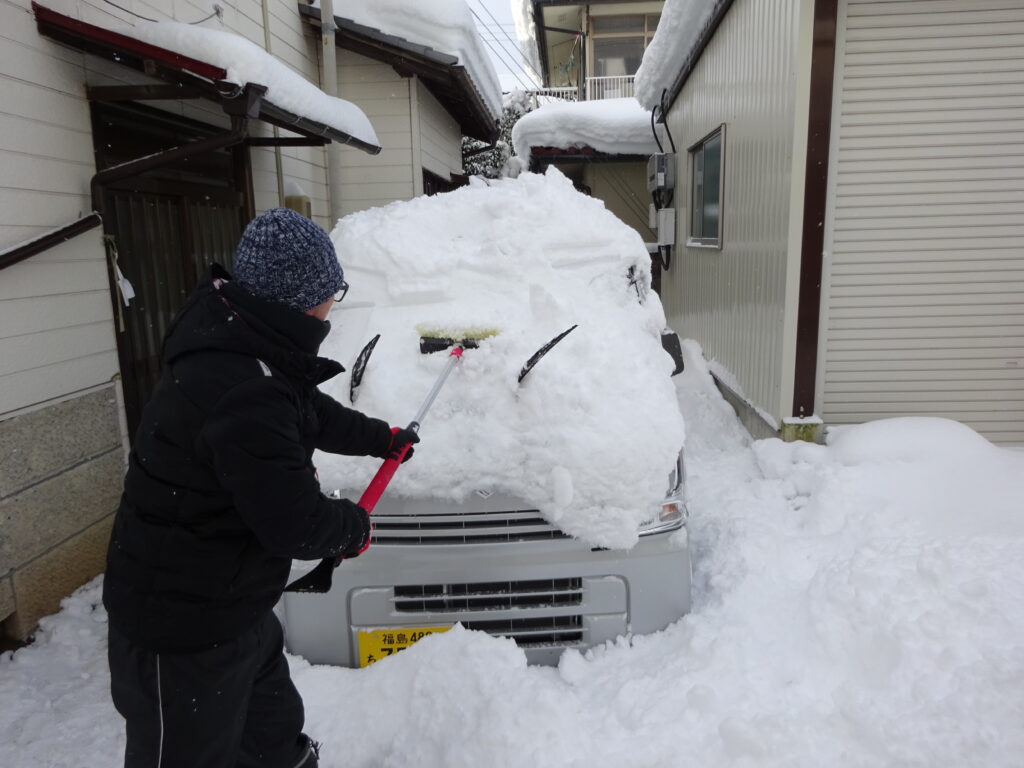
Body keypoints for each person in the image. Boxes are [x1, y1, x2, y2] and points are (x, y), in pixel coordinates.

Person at [102, 208, 418, 767]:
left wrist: (379, 438)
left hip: (233, 608)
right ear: (299, 300)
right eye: (331, 292)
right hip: (179, 630)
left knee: (272, 738)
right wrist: (354, 528)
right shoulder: (242, 384)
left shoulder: (248, 348)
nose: (331, 304)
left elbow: (306, 411)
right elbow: (294, 521)